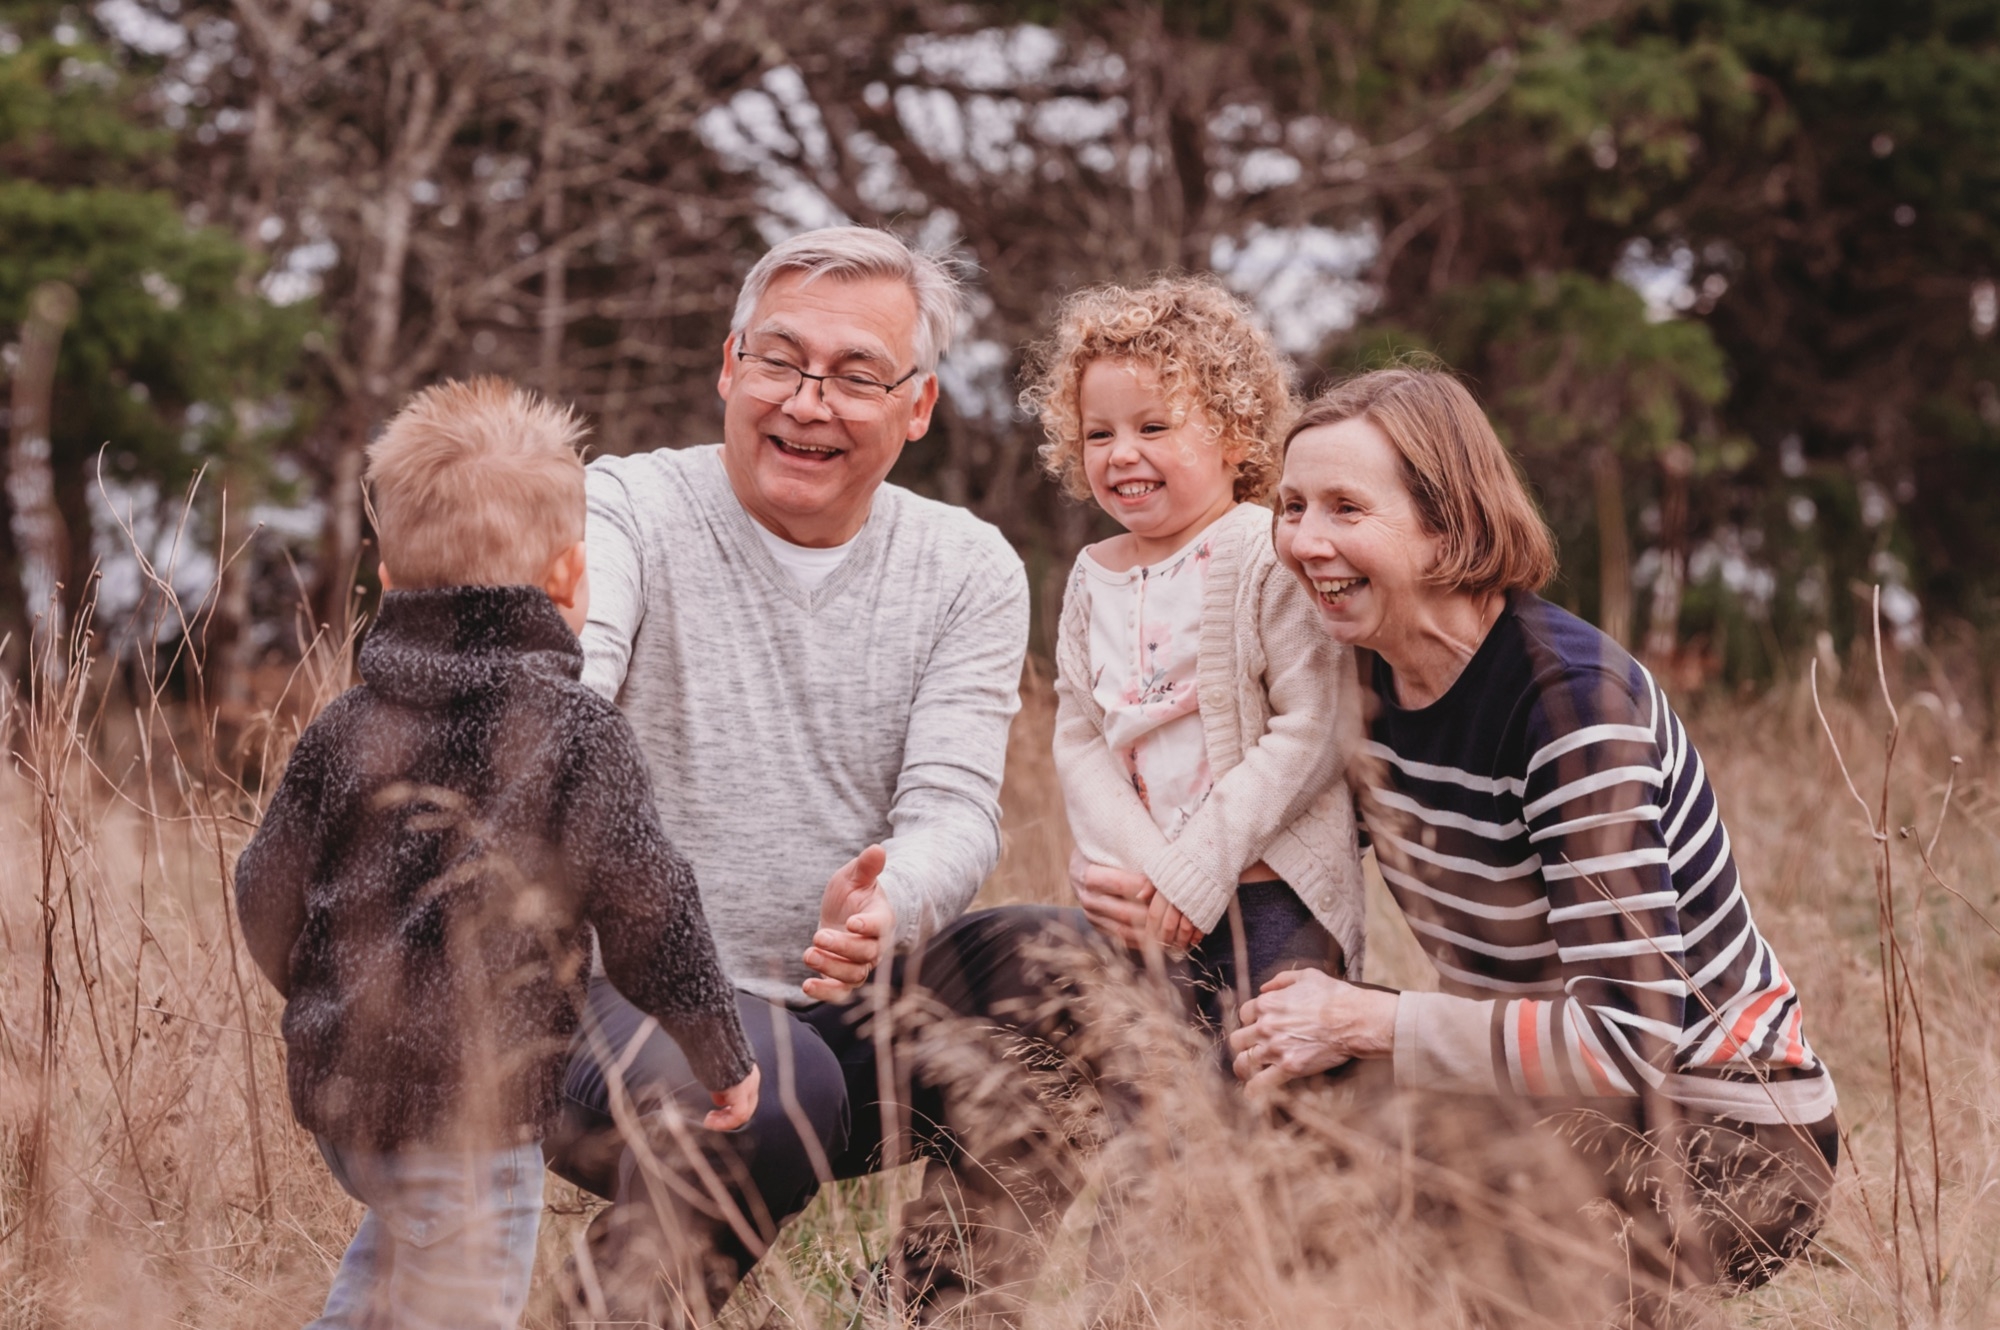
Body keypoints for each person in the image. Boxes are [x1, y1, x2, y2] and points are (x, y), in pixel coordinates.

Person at [547, 226, 1080, 1323]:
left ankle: (913, 1310)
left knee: (1086, 982)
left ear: (917, 406)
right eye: (780, 360)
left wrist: (895, 901)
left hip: (838, 1010)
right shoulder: (627, 506)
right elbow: (568, 691)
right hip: (608, 1002)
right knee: (776, 1089)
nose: (806, 402)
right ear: (729, 365)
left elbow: (953, 809)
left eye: (855, 377)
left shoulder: (966, 566)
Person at [1227, 365, 1840, 1306]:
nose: (1305, 541)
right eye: (1292, 505)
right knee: (1283, 1164)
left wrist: (1366, 1019)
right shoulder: (1358, 682)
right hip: (1537, 1105)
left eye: (1347, 508)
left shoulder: (1570, 704)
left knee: (1477, 1234)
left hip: (1726, 1126)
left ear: (1450, 526)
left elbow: (1630, 1041)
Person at [234, 378, 759, 1330]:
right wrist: (716, 1044)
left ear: (388, 582)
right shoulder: (571, 732)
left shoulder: (346, 727)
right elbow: (653, 910)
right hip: (469, 1115)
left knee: (400, 1266)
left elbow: (265, 890)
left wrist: (335, 1005)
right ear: (568, 579)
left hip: (342, 1100)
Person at [1022, 276, 1363, 1028]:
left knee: (1266, 1099)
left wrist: (1196, 869)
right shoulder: (1091, 575)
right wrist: (1147, 873)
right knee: (1153, 1104)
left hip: (1268, 894)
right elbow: (1080, 735)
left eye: (1154, 427)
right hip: (1142, 903)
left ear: (1235, 433)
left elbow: (1313, 728)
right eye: (1099, 433)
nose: (1122, 454)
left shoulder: (1265, 552)